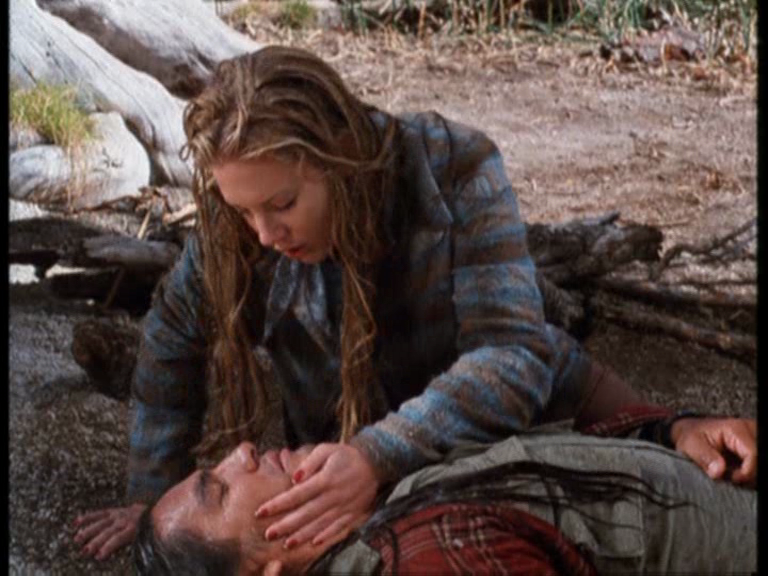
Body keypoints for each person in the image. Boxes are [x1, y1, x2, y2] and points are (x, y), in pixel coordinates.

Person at [72, 45, 757, 561]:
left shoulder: (452, 167)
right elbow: (172, 337)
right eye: (243, 211)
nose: (264, 235)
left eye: (282, 203)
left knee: (689, 471)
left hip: (515, 422)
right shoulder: (239, 231)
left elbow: (515, 355)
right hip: (358, 469)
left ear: (338, 157)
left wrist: (377, 454)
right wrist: (155, 502)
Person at [132, 424, 757, 575]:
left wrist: (677, 430)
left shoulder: (391, 503)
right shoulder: (423, 559)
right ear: (266, 569)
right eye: (219, 488)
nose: (240, 451)